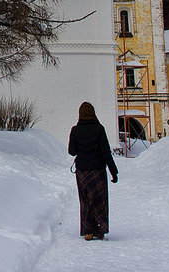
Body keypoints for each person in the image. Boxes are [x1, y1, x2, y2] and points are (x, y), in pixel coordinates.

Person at [67, 101, 118, 240]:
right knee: (99, 200)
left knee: (85, 201)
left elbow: (72, 151)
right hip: (98, 170)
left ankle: (88, 231)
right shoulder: (99, 129)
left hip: (82, 171)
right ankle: (100, 229)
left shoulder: (75, 130)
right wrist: (114, 171)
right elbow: (106, 152)